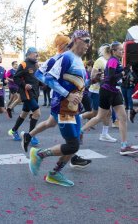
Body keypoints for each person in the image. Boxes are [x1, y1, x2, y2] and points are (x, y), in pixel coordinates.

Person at [28, 30, 92, 186]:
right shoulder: (66, 57)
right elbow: (46, 77)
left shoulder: (77, 59)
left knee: (75, 144)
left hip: (73, 108)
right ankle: (39, 154)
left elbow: (77, 83)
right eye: (87, 41)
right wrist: (67, 95)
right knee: (72, 144)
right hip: (63, 108)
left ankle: (55, 174)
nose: (89, 45)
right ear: (76, 40)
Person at [81, 42, 138, 155]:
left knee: (122, 117)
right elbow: (111, 78)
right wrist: (123, 72)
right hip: (107, 91)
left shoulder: (116, 61)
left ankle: (124, 146)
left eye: (123, 50)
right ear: (113, 51)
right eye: (120, 50)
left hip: (114, 91)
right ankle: (80, 131)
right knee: (99, 116)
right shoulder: (112, 60)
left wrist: (125, 71)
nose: (122, 52)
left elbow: (116, 77)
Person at [80, 43, 116, 142]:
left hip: (106, 90)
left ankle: (104, 134)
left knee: (103, 113)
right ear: (110, 51)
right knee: (98, 113)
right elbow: (92, 76)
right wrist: (101, 78)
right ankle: (77, 121)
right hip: (96, 91)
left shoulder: (111, 61)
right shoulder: (100, 61)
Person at [8, 47, 41, 146]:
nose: (37, 55)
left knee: (24, 113)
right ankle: (30, 136)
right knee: (37, 113)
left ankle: (14, 130)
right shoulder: (23, 64)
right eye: (35, 53)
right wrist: (24, 85)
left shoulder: (35, 64)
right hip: (27, 93)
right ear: (29, 54)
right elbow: (16, 78)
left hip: (35, 93)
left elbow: (36, 78)